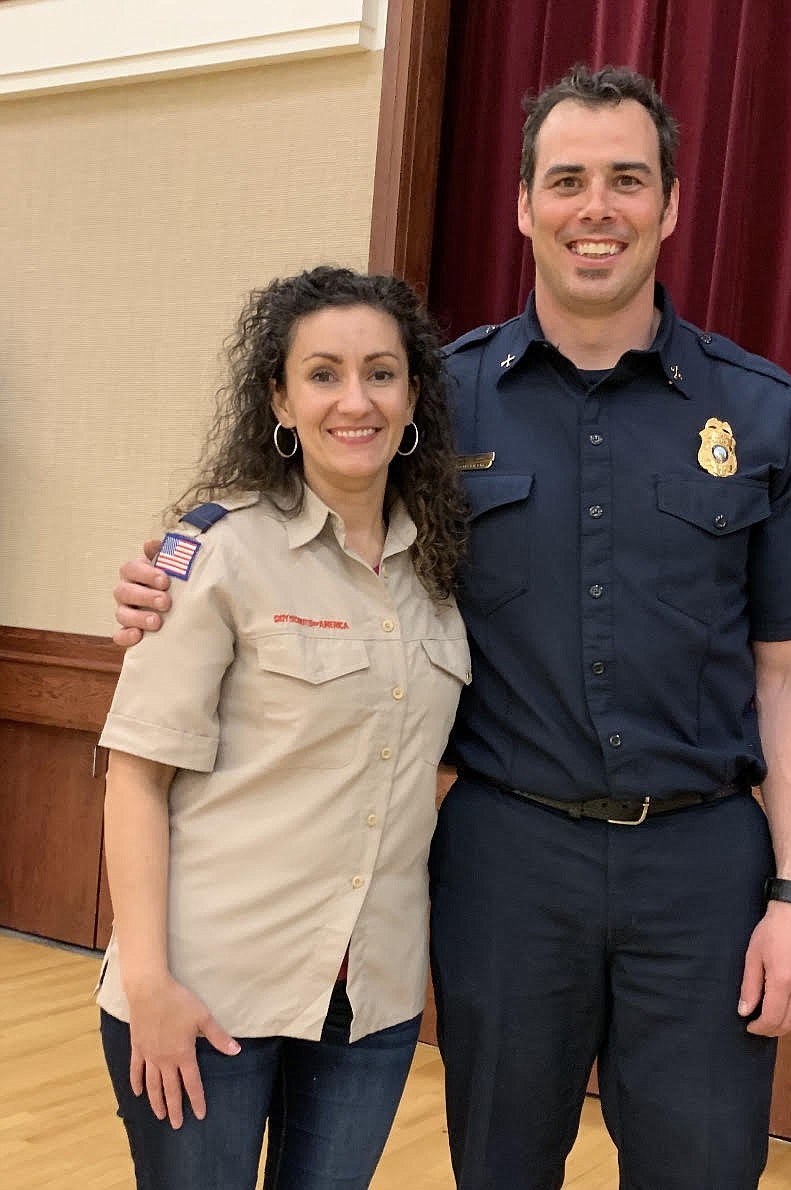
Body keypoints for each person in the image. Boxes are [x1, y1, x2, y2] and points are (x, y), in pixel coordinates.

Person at [112, 66, 791, 1190]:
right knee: (498, 1166)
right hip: (508, 860)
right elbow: (303, 519)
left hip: (702, 865)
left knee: (702, 1167)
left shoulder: (756, 412)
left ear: (671, 202)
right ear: (521, 204)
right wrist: (163, 573)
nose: (592, 207)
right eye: (565, 180)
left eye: (624, 179)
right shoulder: (435, 401)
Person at [97, 265, 471, 1190]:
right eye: (323, 374)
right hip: (206, 989)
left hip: (369, 1001)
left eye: (381, 373)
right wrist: (149, 984)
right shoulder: (217, 551)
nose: (356, 400)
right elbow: (135, 775)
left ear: (412, 393)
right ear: (280, 395)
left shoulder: (441, 571)